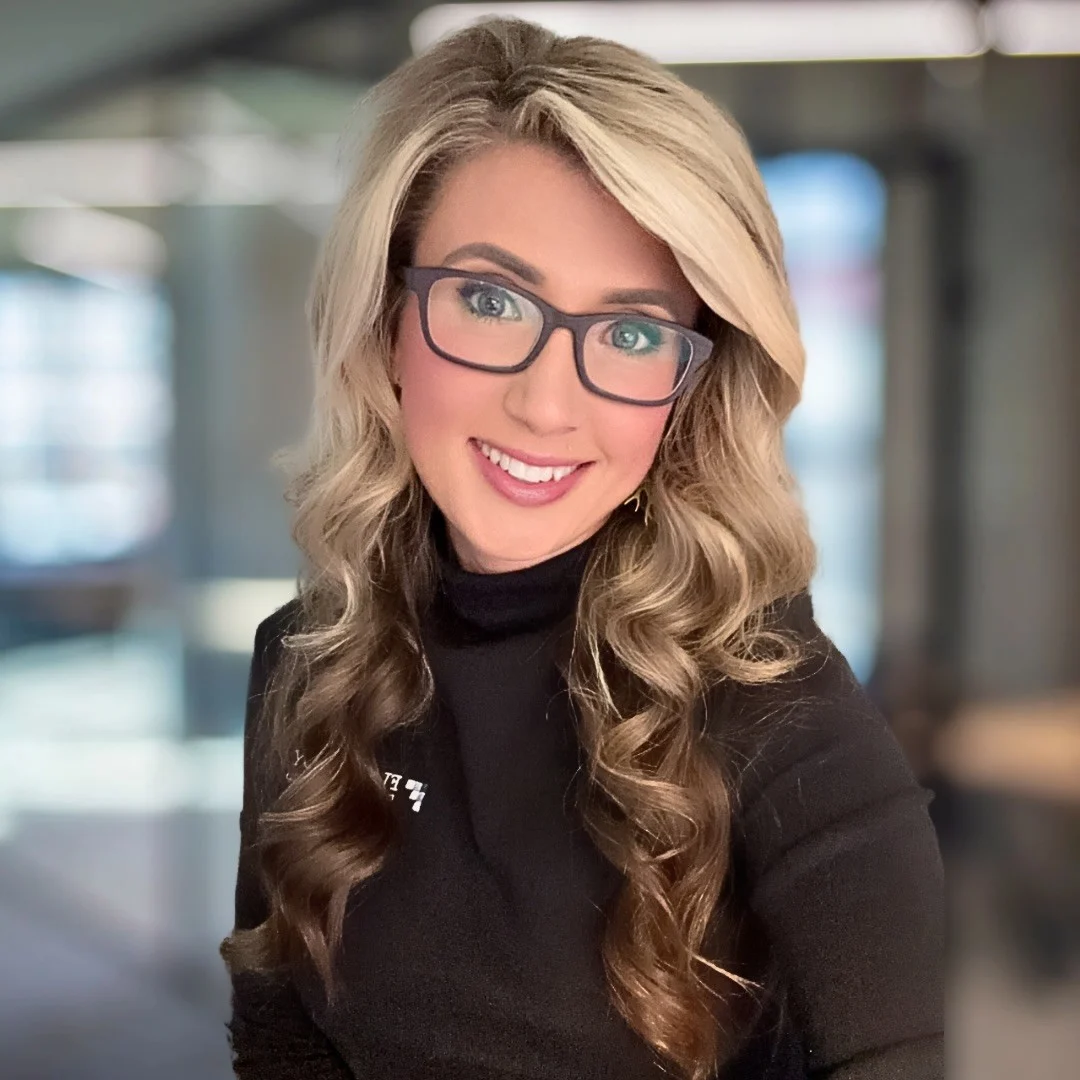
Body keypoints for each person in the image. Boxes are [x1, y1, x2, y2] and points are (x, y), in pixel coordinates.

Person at [219, 16, 944, 1080]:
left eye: (634, 332)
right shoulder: (306, 662)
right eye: (489, 300)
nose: (547, 403)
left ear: (691, 389)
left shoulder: (780, 716)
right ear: (386, 319)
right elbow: (283, 1039)